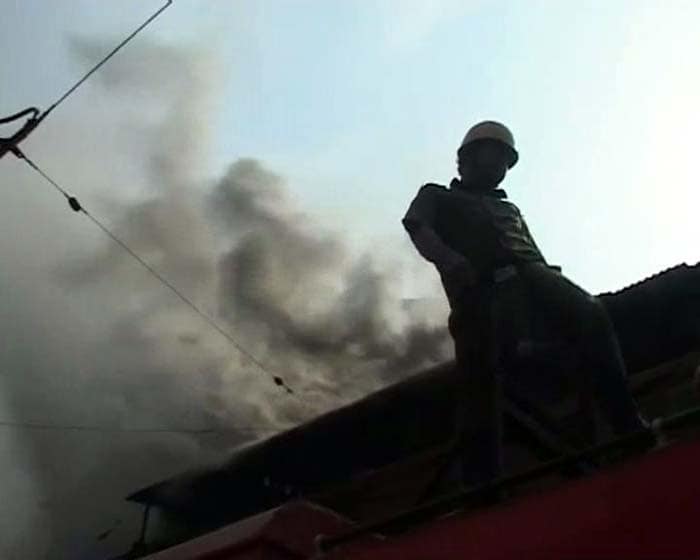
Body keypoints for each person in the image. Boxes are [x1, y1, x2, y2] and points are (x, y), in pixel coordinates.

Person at [402, 121, 646, 486]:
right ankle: (482, 488)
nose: (500, 165)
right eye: (493, 154)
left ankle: (630, 430)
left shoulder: (511, 209)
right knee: (479, 382)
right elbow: (417, 226)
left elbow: (534, 254)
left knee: (591, 314)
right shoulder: (438, 195)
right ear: (467, 158)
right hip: (481, 294)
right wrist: (449, 259)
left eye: (505, 159)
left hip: (532, 278)